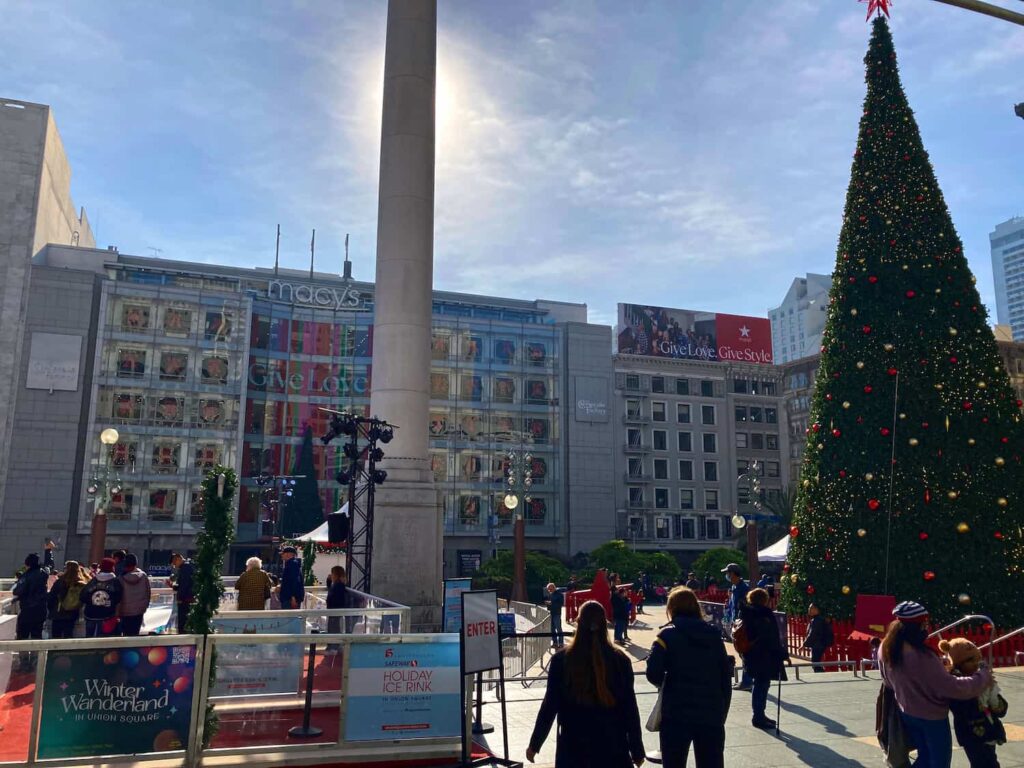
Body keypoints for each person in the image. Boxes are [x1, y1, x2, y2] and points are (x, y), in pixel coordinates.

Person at [527, 600, 645, 767]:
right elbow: (630, 708)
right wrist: (637, 749)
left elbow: (550, 706)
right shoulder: (620, 660)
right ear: (605, 625)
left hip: (573, 746)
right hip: (612, 745)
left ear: (578, 624)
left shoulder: (561, 660)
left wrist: (535, 744)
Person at [878, 601, 991, 768]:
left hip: (907, 711)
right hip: (932, 717)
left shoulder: (886, 647)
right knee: (938, 762)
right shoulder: (921, 657)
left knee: (925, 757)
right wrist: (982, 675)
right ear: (915, 626)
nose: (926, 628)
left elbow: (887, 680)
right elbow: (952, 687)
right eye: (924, 624)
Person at [646, 587, 733, 768]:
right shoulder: (714, 635)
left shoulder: (666, 636)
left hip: (677, 710)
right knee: (711, 762)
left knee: (674, 761)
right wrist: (722, 708)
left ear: (671, 608)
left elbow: (653, 673)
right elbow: (725, 675)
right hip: (710, 709)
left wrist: (666, 680)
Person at [940, 637, 1007, 768]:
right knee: (982, 763)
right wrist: (979, 689)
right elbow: (964, 708)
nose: (976, 664)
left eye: (978, 658)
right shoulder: (957, 683)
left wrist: (994, 700)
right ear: (958, 663)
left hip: (989, 729)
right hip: (972, 733)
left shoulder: (982, 679)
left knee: (990, 761)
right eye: (970, 660)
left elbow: (1001, 710)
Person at [739, 587, 786, 729]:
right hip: (765, 654)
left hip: (750, 653)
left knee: (758, 684)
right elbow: (773, 636)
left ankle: (759, 714)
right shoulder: (765, 614)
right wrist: (782, 654)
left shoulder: (745, 612)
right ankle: (758, 716)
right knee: (762, 684)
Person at [722, 563, 752, 691]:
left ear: (733, 574)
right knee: (742, 653)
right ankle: (747, 680)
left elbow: (744, 608)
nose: (726, 575)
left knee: (744, 653)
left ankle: (747, 681)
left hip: (742, 625)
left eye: (727, 573)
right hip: (736, 623)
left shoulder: (743, 588)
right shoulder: (734, 587)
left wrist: (739, 621)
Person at [81, 558, 123, 637]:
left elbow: (83, 596)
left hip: (90, 613)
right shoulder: (115, 581)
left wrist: (92, 602)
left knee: (88, 639)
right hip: (107, 615)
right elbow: (118, 598)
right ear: (112, 567)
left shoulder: (93, 580)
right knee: (103, 639)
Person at [48, 560, 89, 639]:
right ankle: (67, 651)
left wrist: (51, 609)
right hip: (72, 612)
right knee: (68, 634)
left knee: (56, 636)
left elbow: (51, 596)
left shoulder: (60, 581)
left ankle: (55, 651)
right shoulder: (81, 583)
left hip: (58, 612)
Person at [13, 553, 48, 643]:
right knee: (36, 635)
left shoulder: (27, 575)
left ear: (27, 563)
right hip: (41, 609)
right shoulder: (43, 574)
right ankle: (35, 656)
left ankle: (23, 656)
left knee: (22, 635)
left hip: (27, 609)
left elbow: (18, 591)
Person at [118, 553, 151, 636]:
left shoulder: (121, 578)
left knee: (125, 634)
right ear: (135, 564)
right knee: (135, 633)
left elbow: (118, 594)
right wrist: (145, 605)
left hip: (124, 610)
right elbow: (148, 592)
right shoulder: (143, 576)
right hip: (139, 610)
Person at [802, 603, 834, 672]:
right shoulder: (820, 619)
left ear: (817, 610)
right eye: (809, 608)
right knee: (816, 662)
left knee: (816, 663)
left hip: (818, 645)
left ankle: (821, 677)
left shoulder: (816, 621)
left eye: (811, 608)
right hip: (821, 644)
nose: (809, 610)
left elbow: (812, 634)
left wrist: (804, 644)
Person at [169, 553, 195, 633]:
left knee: (183, 623)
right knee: (184, 622)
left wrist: (180, 598)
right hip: (188, 598)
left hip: (185, 600)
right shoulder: (187, 566)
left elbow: (184, 585)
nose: (175, 566)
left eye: (174, 563)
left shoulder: (185, 568)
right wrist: (174, 587)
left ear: (178, 558)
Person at [326, 565, 348, 637]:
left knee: (334, 628)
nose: (331, 575)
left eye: (332, 573)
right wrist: (328, 581)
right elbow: (330, 589)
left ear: (336, 575)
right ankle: (332, 645)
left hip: (335, 610)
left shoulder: (339, 586)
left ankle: (334, 646)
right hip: (333, 610)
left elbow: (337, 598)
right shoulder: (335, 584)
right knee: (331, 628)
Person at [546, 582, 565, 648]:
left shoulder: (559, 594)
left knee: (558, 628)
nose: (549, 590)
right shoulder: (551, 594)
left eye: (550, 589)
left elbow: (561, 604)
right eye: (548, 589)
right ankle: (555, 643)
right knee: (552, 629)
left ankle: (561, 643)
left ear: (553, 587)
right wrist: (548, 605)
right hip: (552, 613)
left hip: (557, 613)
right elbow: (550, 604)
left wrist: (551, 603)